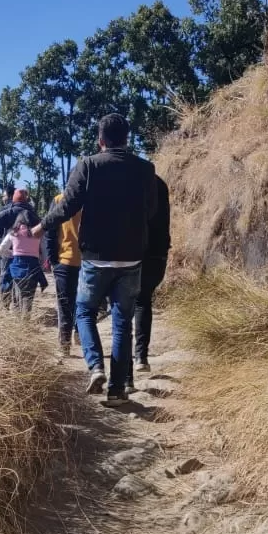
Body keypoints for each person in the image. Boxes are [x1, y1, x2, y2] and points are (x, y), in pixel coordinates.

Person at [33, 113, 157, 405]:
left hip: (96, 257)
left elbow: (68, 205)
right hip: (131, 258)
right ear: (127, 139)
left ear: (100, 140)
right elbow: (150, 212)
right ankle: (117, 390)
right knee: (122, 321)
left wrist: (41, 226)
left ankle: (95, 366)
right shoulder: (145, 169)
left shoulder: (88, 165)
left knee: (84, 312)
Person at [127, 174, 171, 389]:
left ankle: (125, 373)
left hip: (131, 252)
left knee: (125, 305)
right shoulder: (160, 184)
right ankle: (141, 357)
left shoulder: (130, 182)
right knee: (144, 300)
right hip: (158, 253)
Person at [46, 195, 81, 357]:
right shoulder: (94, 197)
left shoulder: (60, 199)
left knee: (64, 305)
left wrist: (53, 260)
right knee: (84, 304)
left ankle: (64, 346)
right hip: (90, 261)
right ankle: (79, 335)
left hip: (65, 259)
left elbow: (51, 230)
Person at [0, 209, 48, 314]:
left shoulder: (13, 233)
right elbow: (44, 252)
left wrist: (13, 253)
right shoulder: (38, 234)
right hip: (33, 269)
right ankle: (25, 320)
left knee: (17, 295)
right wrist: (43, 264)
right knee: (28, 297)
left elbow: (0, 250)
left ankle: (18, 318)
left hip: (17, 270)